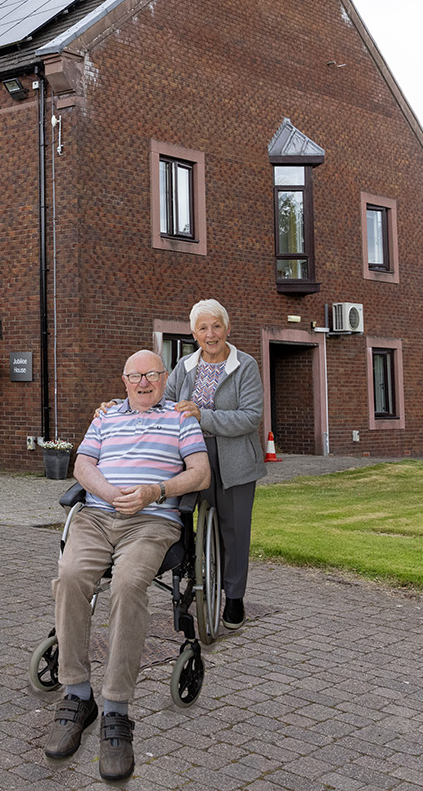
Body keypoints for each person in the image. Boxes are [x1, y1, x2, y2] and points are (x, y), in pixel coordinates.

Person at [46, 350, 210, 782]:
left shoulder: (180, 417)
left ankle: (116, 711)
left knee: (128, 585)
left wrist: (155, 490)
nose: (143, 383)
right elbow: (82, 464)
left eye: (152, 375)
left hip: (152, 523)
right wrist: (108, 492)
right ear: (123, 381)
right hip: (98, 516)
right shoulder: (104, 417)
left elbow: (201, 473)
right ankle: (78, 695)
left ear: (164, 378)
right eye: (135, 376)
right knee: (69, 577)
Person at [162, 299, 264, 631]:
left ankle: (234, 597)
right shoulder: (184, 367)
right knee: (188, 520)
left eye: (216, 326)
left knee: (234, 531)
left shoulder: (244, 365)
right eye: (203, 328)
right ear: (194, 333)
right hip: (192, 456)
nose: (211, 334)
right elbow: (165, 406)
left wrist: (202, 415)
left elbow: (251, 417)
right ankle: (193, 580)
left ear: (227, 329)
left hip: (234, 458)